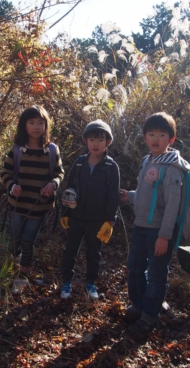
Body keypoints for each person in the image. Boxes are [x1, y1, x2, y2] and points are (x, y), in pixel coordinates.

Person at [119, 112, 190, 338]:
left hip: (159, 232)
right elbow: (146, 193)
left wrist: (164, 235)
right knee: (135, 267)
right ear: (144, 137)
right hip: (141, 227)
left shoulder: (173, 168)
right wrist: (129, 196)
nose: (155, 138)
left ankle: (150, 314)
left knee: (157, 273)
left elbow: (172, 205)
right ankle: (139, 304)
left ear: (171, 140)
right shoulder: (147, 160)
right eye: (151, 134)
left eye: (161, 134)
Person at [0, 105, 64, 295]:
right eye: (32, 122)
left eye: (40, 122)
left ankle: (22, 277)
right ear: (24, 125)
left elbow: (59, 173)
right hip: (18, 204)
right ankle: (14, 263)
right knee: (14, 240)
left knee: (28, 241)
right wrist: (12, 186)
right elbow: (5, 173)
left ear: (46, 125)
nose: (36, 127)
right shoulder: (18, 149)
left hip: (39, 206)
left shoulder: (52, 150)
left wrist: (53, 184)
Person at [59, 119, 120, 301]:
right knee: (70, 251)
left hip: (97, 220)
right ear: (86, 141)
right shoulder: (79, 163)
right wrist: (66, 213)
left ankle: (90, 283)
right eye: (92, 139)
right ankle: (66, 283)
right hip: (76, 217)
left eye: (100, 140)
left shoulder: (111, 167)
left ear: (108, 142)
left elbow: (113, 196)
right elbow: (69, 190)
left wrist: (110, 220)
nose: (96, 144)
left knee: (94, 253)